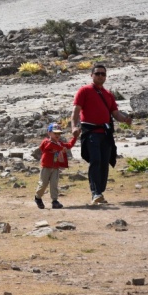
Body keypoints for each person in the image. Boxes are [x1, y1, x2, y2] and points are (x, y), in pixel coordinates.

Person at [71, 64, 132, 205]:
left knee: (105, 162)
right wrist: (74, 127)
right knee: (96, 160)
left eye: (103, 74)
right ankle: (95, 193)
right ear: (91, 75)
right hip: (90, 132)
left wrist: (125, 119)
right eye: (97, 73)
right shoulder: (84, 91)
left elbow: (115, 113)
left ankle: (100, 192)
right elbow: (75, 111)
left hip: (105, 133)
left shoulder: (108, 94)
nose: (100, 76)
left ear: (106, 76)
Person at [34, 123, 77, 209]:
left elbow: (68, 145)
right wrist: (62, 148)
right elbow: (50, 145)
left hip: (55, 167)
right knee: (43, 184)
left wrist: (75, 137)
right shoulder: (46, 141)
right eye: (55, 133)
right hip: (46, 167)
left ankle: (55, 201)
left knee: (54, 184)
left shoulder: (59, 143)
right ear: (49, 133)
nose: (57, 135)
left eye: (59, 133)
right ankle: (37, 197)